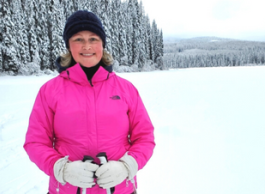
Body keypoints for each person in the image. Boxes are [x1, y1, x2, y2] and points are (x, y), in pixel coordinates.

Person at [24, 10, 155, 194]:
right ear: (69, 45)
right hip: (67, 190)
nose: (87, 46)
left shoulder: (126, 89)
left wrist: (127, 166)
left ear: (102, 44)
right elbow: (35, 142)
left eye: (93, 39)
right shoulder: (50, 91)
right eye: (78, 39)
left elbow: (145, 137)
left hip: (120, 189)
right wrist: (60, 168)